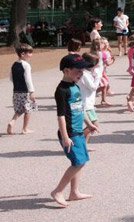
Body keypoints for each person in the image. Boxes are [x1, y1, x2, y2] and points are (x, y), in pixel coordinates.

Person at [51, 54, 97, 207]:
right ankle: (58, 191)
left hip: (78, 132)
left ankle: (74, 192)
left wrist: (89, 124)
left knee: (80, 161)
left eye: (82, 71)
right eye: (78, 71)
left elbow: (81, 108)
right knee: (78, 163)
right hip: (70, 134)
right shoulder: (62, 90)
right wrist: (65, 137)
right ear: (66, 70)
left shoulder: (75, 86)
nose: (81, 74)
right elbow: (61, 116)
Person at [7, 44, 37, 135]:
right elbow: (28, 79)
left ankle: (12, 121)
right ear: (23, 54)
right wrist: (32, 91)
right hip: (25, 91)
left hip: (16, 91)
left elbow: (11, 78)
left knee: (19, 109)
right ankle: (25, 129)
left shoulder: (14, 64)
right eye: (30, 53)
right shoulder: (26, 65)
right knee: (28, 110)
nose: (31, 55)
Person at [78, 53, 102, 148]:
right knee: (94, 125)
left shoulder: (87, 73)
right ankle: (77, 139)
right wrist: (98, 77)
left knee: (92, 126)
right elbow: (93, 87)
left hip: (89, 104)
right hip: (86, 104)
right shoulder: (84, 74)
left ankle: (84, 146)